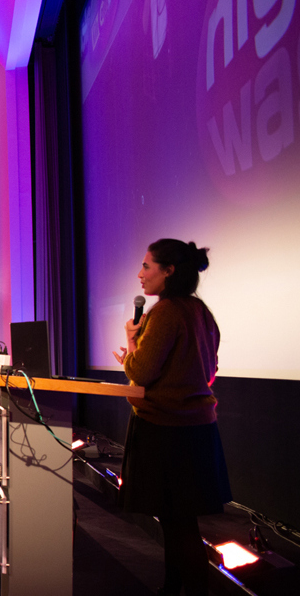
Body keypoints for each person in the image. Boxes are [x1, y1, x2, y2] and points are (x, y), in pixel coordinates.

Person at [112, 239, 230, 596]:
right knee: (178, 520)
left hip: (166, 431)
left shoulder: (164, 312)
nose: (140, 274)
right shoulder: (200, 311)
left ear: (169, 271)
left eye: (147, 266)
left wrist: (132, 345)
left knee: (179, 524)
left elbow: (143, 372)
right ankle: (172, 587)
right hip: (196, 431)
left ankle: (186, 589)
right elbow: (207, 370)